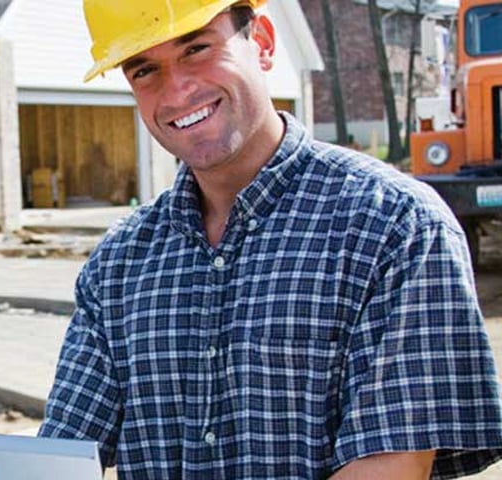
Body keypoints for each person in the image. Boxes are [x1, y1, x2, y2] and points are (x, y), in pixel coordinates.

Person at [38, 1, 502, 478]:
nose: (176, 91)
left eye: (197, 48)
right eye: (144, 70)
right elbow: (63, 455)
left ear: (261, 42)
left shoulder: (393, 227)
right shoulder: (118, 264)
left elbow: (388, 465)